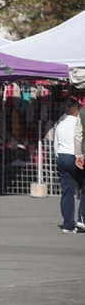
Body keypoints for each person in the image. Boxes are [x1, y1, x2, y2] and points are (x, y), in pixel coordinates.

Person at [59, 99, 85, 233]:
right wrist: (79, 155)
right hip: (74, 157)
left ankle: (67, 224)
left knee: (67, 192)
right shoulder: (77, 121)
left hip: (61, 157)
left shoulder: (60, 124)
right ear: (76, 111)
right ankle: (82, 219)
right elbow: (79, 137)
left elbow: (55, 144)